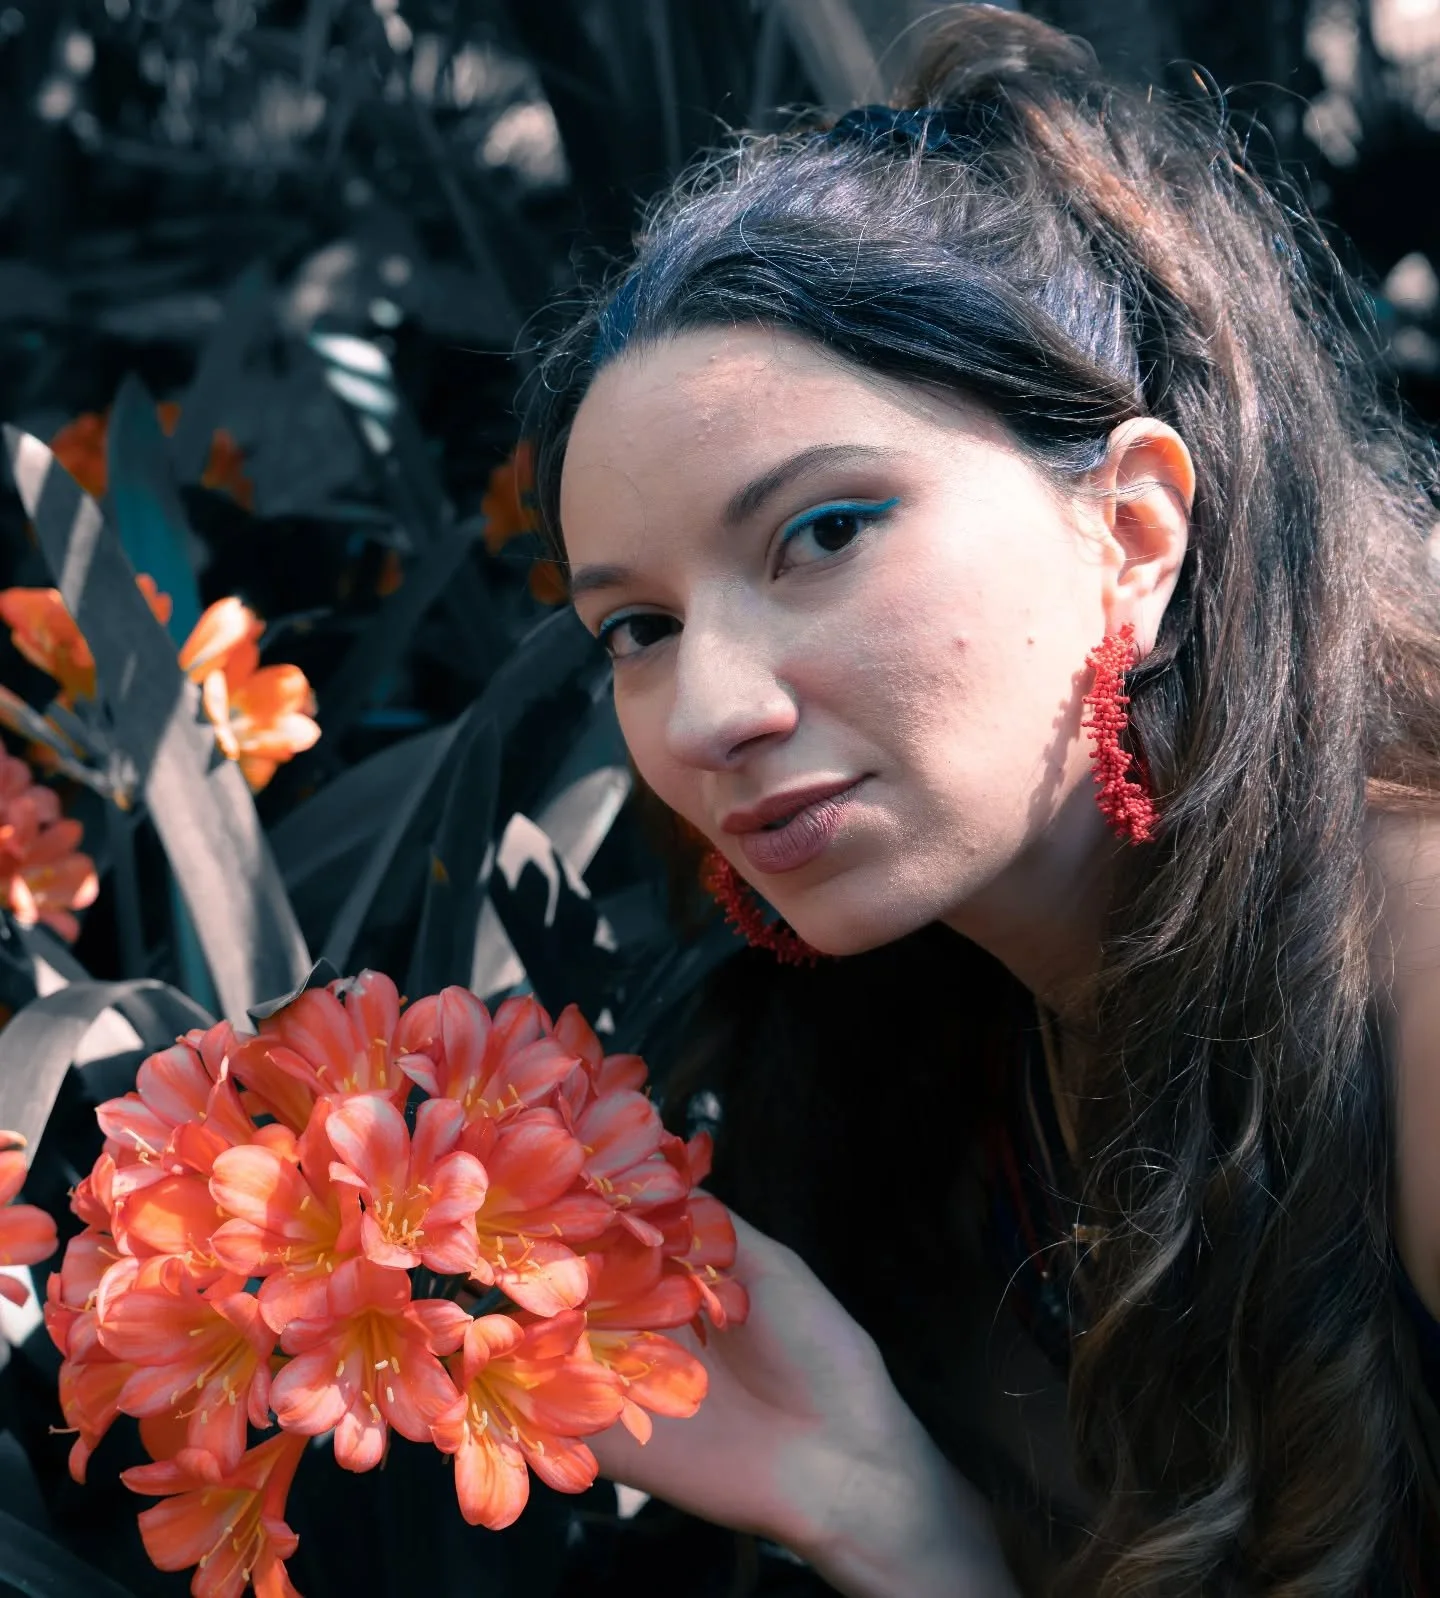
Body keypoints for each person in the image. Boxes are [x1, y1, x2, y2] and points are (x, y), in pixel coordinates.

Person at [526, 7, 1440, 1594]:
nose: (712, 710)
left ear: (1135, 532)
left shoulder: (1416, 973)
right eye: (640, 627)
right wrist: (888, 1512)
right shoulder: (927, 1044)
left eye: (823, 533)